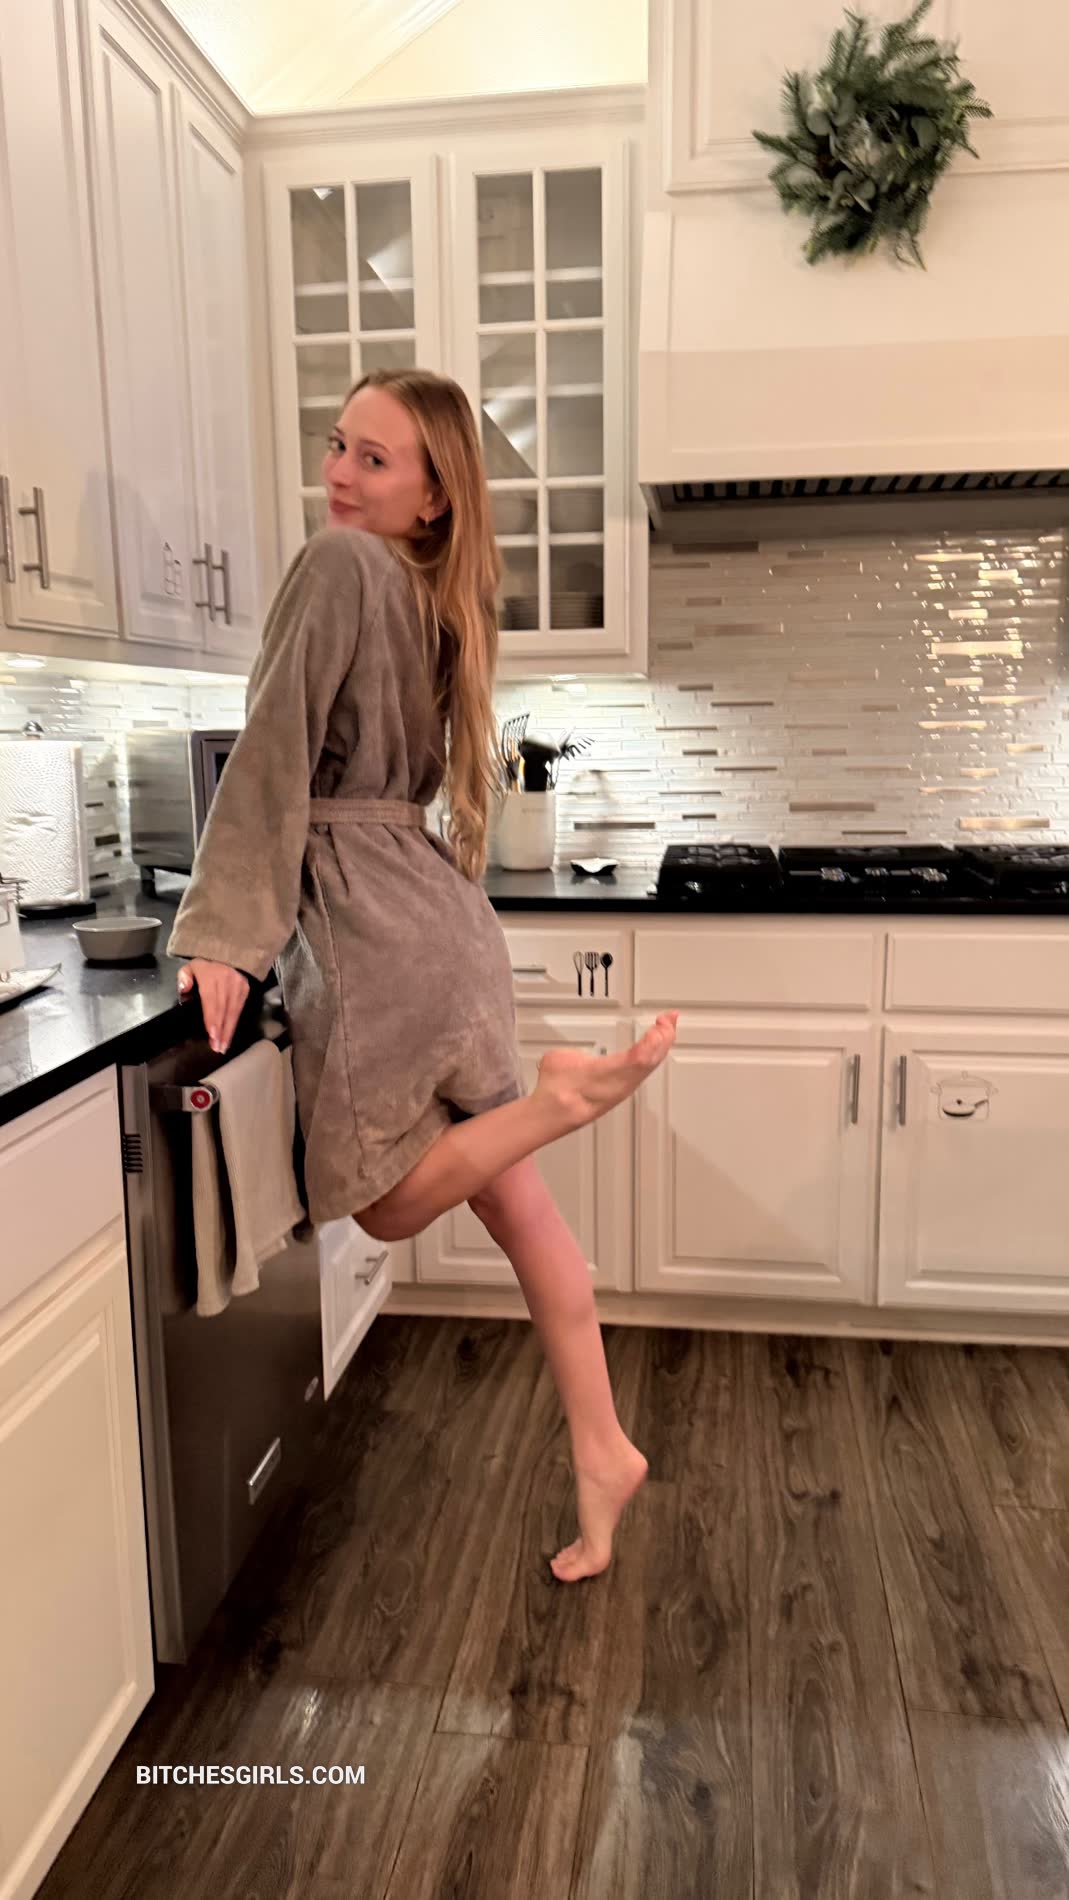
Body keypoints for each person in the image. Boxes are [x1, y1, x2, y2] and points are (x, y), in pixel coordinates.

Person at [168, 368, 679, 1583]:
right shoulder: (438, 600)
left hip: (373, 931)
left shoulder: (340, 565)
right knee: (519, 1208)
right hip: (448, 925)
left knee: (386, 1205)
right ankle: (602, 1447)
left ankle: (554, 1099)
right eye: (338, 445)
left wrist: (222, 932)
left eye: (374, 458)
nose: (340, 474)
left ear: (434, 495)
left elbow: (273, 752)